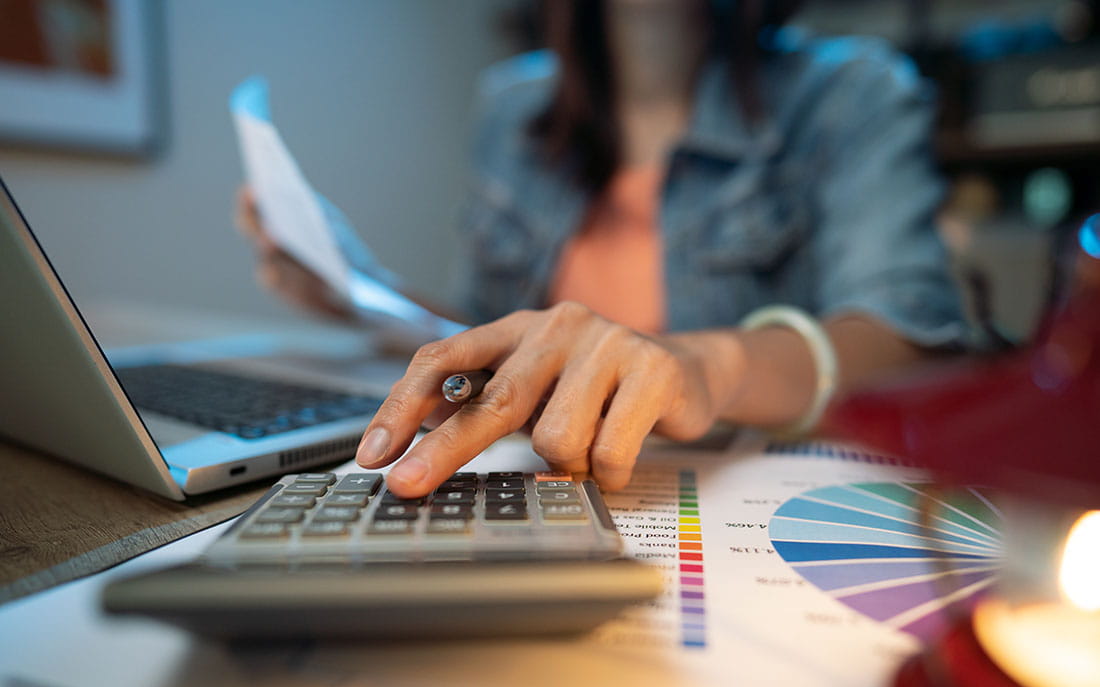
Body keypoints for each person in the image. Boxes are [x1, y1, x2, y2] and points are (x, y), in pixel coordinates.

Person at [237, 0, 971, 499]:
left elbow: (909, 339)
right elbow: (496, 339)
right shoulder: (511, 107)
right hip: (537, 493)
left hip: (733, 507)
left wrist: (706, 365)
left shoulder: (852, 93)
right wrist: (361, 290)